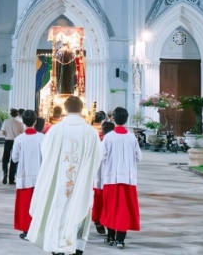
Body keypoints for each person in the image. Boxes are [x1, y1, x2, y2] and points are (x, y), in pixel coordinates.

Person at [27, 96, 103, 255]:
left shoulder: (55, 130)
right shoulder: (91, 132)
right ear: (82, 109)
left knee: (56, 208)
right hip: (80, 181)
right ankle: (75, 246)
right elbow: (97, 157)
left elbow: (46, 152)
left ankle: (56, 246)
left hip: (58, 181)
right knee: (78, 208)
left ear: (65, 109)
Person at [100, 107, 142, 249]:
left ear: (113, 119)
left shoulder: (108, 137)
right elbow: (139, 157)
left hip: (111, 177)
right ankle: (120, 240)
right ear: (126, 119)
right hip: (128, 179)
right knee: (124, 209)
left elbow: (102, 157)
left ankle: (110, 237)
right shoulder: (132, 138)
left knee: (111, 207)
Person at [12, 109, 43, 239]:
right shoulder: (42, 138)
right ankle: (39, 230)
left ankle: (26, 230)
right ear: (35, 121)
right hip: (40, 176)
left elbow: (14, 158)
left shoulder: (19, 139)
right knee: (40, 204)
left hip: (24, 176)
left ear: (23, 122)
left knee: (25, 204)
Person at [92, 120, 115, 235]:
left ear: (102, 130)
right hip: (111, 178)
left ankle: (98, 220)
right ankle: (106, 221)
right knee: (109, 201)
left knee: (98, 200)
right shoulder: (115, 143)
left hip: (99, 178)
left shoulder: (99, 143)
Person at [1, 108, 24, 184]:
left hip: (7, 141)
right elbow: (22, 133)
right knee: (14, 160)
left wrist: (7, 134)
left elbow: (3, 132)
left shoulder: (6, 121)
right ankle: (11, 178)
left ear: (10, 114)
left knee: (5, 159)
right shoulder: (19, 123)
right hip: (15, 141)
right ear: (17, 114)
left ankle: (5, 173)